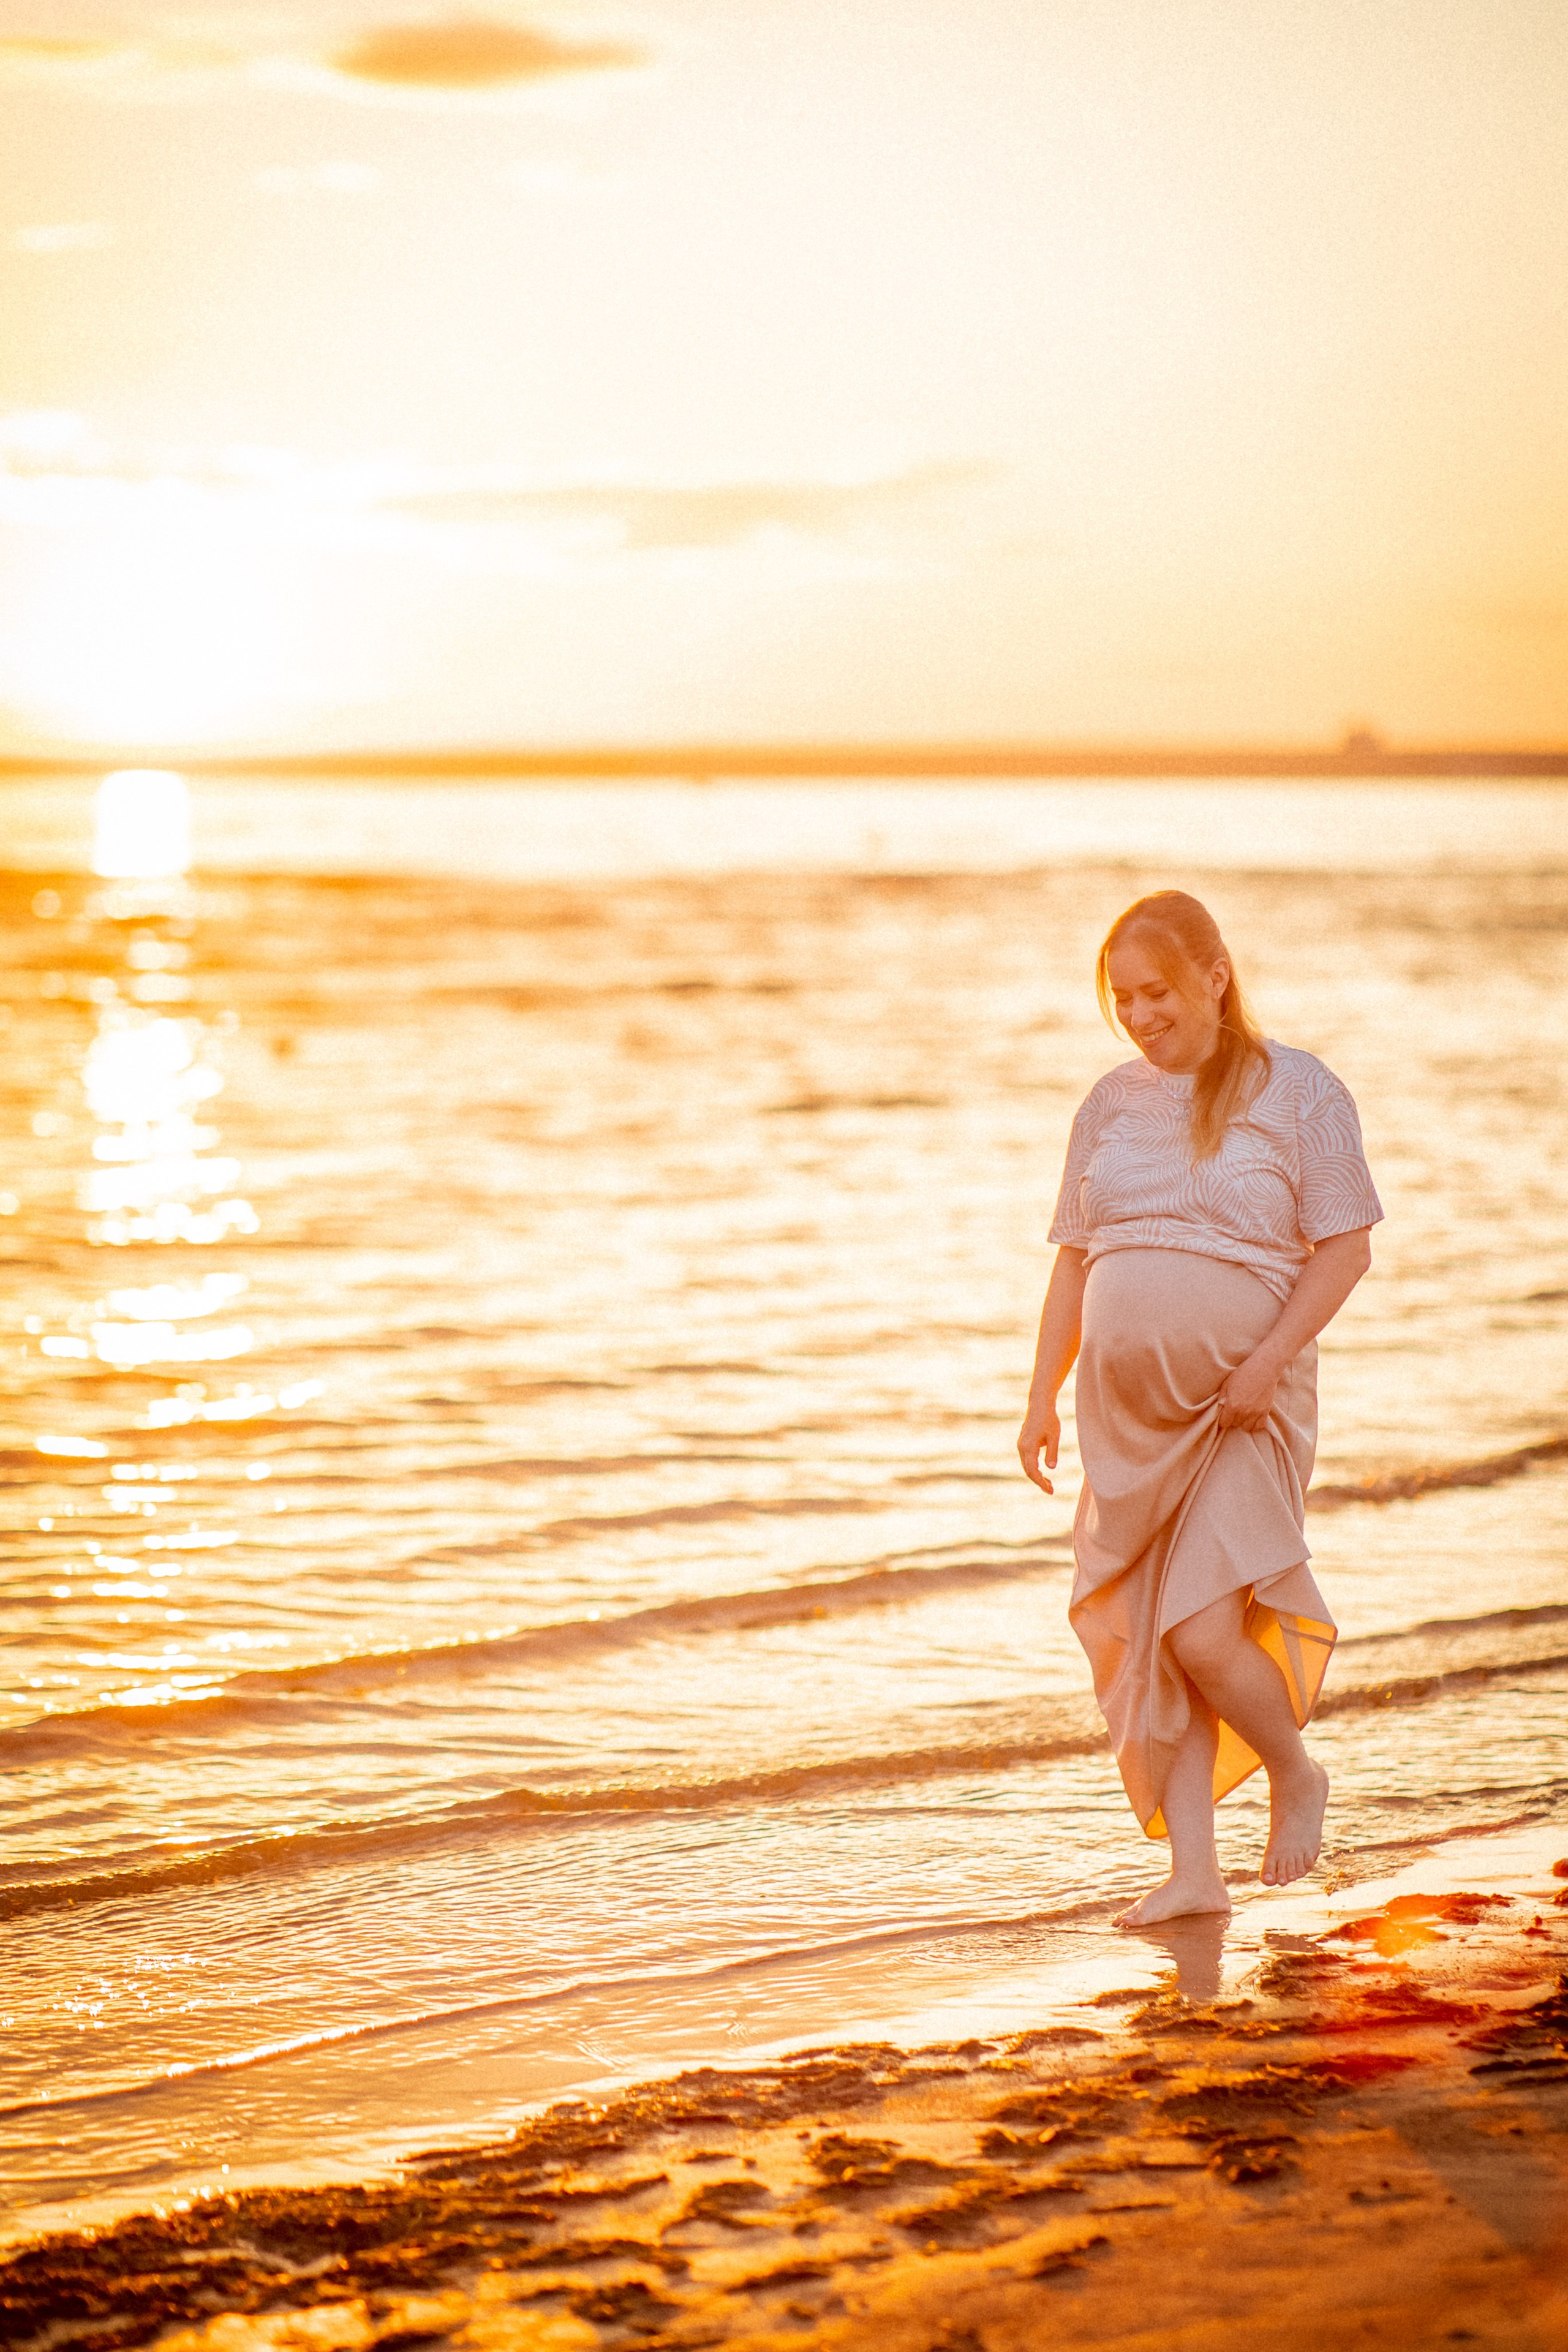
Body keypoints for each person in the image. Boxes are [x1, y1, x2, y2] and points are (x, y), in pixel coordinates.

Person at [1017, 891, 1381, 1927]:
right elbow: (1074, 1262)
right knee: (1151, 1637)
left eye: (1157, 991)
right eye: (1123, 998)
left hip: (1238, 1407)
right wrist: (1041, 1395)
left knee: (1204, 1631)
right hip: (1127, 1426)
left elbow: (1346, 1248)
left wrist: (1266, 1362)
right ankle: (1194, 1874)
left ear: (1215, 978)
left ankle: (1294, 1772)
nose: (1139, 1015)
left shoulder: (1299, 1090)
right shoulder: (1109, 1104)